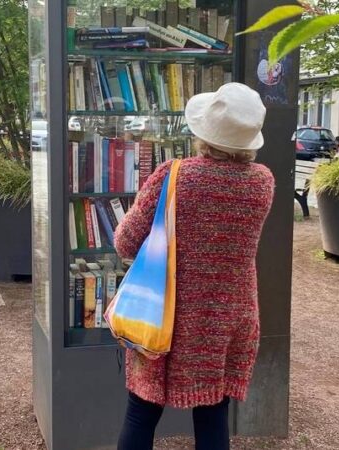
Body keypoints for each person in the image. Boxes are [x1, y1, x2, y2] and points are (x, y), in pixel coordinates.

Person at [113, 83, 275, 450]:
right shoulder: (262, 183)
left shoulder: (174, 174)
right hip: (227, 319)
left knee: (141, 413)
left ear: (204, 132)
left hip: (165, 316)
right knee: (213, 415)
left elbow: (125, 241)